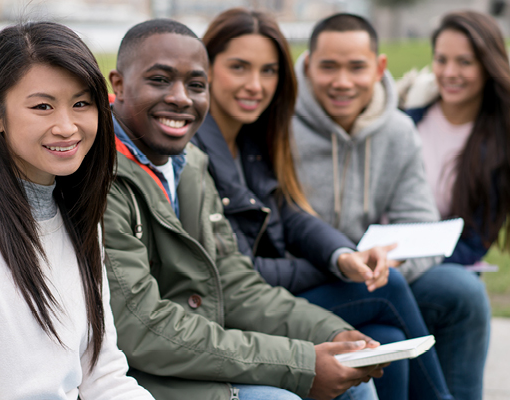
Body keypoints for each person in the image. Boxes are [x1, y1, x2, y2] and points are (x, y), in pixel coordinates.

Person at [104, 18, 384, 400]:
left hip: (199, 354)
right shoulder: (101, 177)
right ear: (117, 84)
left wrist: (330, 334)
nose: (181, 97)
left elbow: (234, 283)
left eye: (196, 86)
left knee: (354, 379)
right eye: (160, 80)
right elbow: (142, 327)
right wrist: (299, 362)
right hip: (138, 375)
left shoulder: (190, 164)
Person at [191, 8, 453, 400]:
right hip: (238, 310)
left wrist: (344, 256)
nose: (255, 85)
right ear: (207, 68)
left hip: (275, 290)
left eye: (268, 71)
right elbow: (237, 273)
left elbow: (290, 214)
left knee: (385, 338)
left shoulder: (251, 137)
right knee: (387, 289)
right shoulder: (195, 148)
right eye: (239, 68)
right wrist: (336, 267)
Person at [0, 22, 153, 400]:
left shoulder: (78, 211)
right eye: (42, 106)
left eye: (81, 103)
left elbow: (103, 375)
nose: (67, 126)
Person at [292, 13, 490, 400]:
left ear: (380, 67)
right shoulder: (278, 124)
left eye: (356, 67)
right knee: (388, 315)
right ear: (308, 65)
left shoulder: (397, 131)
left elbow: (419, 225)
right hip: (298, 282)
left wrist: (388, 262)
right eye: (328, 66)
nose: (342, 81)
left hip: (369, 278)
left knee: (455, 294)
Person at [398, 10, 510, 267]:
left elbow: (473, 245)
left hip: (444, 266)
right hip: (375, 256)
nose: (449, 72)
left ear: (488, 65)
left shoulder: (500, 144)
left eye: (464, 62)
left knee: (461, 290)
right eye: (441, 60)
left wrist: (409, 262)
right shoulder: (405, 118)